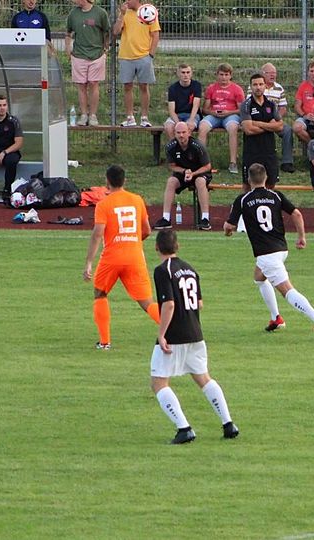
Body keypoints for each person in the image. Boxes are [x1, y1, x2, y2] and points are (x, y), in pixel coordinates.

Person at [149, 229, 239, 445]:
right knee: (203, 378)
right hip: (196, 333)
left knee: (158, 382)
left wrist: (162, 334)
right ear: (177, 246)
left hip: (175, 335)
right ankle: (228, 424)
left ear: (156, 248)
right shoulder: (190, 269)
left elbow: (169, 304)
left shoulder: (162, 270)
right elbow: (199, 303)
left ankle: (184, 428)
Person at [223, 163, 314, 341]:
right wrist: (301, 237)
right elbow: (297, 214)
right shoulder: (276, 195)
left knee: (287, 290)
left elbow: (229, 226)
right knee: (259, 277)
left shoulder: (243, 199)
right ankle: (276, 318)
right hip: (281, 248)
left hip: (267, 253)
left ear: (249, 179)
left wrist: (227, 231)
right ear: (266, 178)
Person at [83, 165, 161, 350]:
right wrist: (132, 241)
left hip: (111, 257)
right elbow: (147, 230)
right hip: (135, 256)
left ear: (107, 181)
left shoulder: (104, 204)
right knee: (147, 302)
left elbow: (97, 234)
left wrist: (89, 263)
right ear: (124, 180)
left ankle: (105, 342)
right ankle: (178, 330)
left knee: (100, 293)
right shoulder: (137, 200)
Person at [155, 121, 212, 230]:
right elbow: (172, 166)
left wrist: (193, 173)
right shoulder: (170, 147)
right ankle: (166, 218)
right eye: (178, 132)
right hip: (183, 173)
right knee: (171, 181)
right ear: (174, 133)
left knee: (200, 182)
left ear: (189, 133)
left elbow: (207, 166)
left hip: (199, 172)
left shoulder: (198, 146)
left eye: (183, 132)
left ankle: (205, 219)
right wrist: (184, 171)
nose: (181, 135)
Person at [113, 0, 160, 128]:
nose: (127, 1)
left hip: (144, 56)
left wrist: (151, 55)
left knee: (144, 86)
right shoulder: (124, 13)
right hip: (126, 56)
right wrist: (121, 15)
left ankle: (144, 117)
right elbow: (116, 31)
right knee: (127, 86)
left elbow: (155, 34)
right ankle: (130, 117)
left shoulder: (148, 11)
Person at [66, 0, 110, 126]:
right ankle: (84, 114)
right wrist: (68, 48)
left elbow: (107, 32)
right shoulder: (73, 14)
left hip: (97, 54)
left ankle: (93, 115)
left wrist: (105, 48)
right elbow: (68, 33)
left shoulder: (100, 13)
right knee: (81, 85)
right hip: (79, 55)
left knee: (94, 83)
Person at [198, 63, 244, 175]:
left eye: (226, 75)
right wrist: (212, 112)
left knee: (233, 127)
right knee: (202, 126)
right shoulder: (211, 88)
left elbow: (241, 110)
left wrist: (228, 112)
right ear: (217, 75)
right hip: (214, 115)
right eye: (221, 74)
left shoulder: (237, 89)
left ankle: (233, 162)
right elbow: (205, 109)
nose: (223, 77)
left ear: (230, 75)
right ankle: (201, 162)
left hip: (231, 115)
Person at [240, 73, 283, 189]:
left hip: (269, 150)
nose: (258, 87)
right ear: (251, 87)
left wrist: (258, 123)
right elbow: (248, 129)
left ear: (265, 86)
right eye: (255, 85)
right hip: (252, 151)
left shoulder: (271, 104)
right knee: (248, 185)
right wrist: (270, 126)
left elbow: (280, 126)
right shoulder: (246, 105)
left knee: (271, 184)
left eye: (260, 84)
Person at [260, 63, 296, 173]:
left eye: (274, 73)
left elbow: (283, 108)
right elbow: (251, 105)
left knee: (287, 130)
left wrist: (277, 118)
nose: (273, 75)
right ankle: (259, 161)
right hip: (259, 119)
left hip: (275, 119)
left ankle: (287, 162)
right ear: (263, 74)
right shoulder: (257, 86)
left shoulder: (279, 88)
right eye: (270, 73)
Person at [163, 64, 201, 141]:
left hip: (192, 115)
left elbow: (196, 106)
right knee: (168, 127)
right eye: (183, 72)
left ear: (191, 73)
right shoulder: (172, 88)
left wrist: (191, 120)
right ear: (178, 74)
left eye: (188, 72)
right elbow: (171, 110)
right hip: (177, 115)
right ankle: (175, 147)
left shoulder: (196, 85)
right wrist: (178, 124)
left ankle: (187, 148)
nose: (185, 75)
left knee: (188, 127)